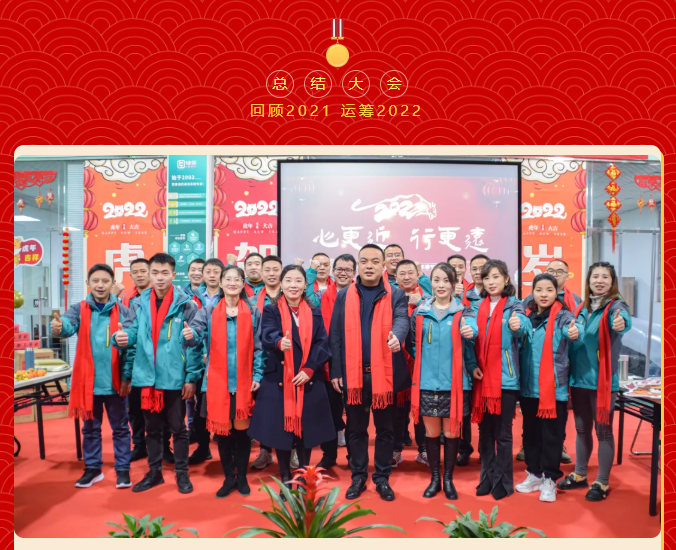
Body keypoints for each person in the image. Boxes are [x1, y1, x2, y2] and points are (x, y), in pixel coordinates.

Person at [113, 253, 203, 494]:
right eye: (155, 273)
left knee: (178, 429)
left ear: (173, 275)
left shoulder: (186, 304)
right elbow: (131, 332)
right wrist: (120, 338)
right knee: (151, 429)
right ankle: (155, 473)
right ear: (150, 275)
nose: (160, 278)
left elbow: (195, 344)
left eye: (165, 273)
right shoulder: (139, 303)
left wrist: (191, 377)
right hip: (147, 377)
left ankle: (182, 474)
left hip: (174, 377)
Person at [329, 244, 411, 502]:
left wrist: (397, 336)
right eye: (364, 261)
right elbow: (335, 334)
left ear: (383, 265)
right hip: (354, 376)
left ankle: (382, 478)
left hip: (384, 376)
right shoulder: (345, 295)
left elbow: (402, 320)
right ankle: (358, 476)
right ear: (358, 265)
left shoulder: (395, 294)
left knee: (385, 430)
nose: (369, 266)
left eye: (375, 261)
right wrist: (336, 370)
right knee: (356, 429)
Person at [248, 265, 333, 498]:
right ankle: (285, 476)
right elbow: (267, 334)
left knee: (306, 431)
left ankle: (304, 476)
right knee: (281, 431)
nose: (293, 285)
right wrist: (279, 342)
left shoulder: (314, 312)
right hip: (280, 378)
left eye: (298, 281)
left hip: (308, 379)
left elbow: (322, 343)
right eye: (288, 280)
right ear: (281, 284)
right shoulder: (271, 309)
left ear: (305, 285)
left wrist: (310, 368)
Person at [50, 264, 133, 489]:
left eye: (105, 281)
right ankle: (93, 469)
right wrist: (58, 327)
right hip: (88, 384)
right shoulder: (79, 309)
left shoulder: (124, 311)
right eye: (95, 281)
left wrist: (127, 377)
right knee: (89, 429)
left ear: (112, 283)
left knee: (121, 429)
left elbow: (132, 346)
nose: (100, 285)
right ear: (88, 283)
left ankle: (123, 470)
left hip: (115, 382)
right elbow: (66, 325)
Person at [557, 262, 631, 502]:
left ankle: (602, 481)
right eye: (595, 277)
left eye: (605, 277)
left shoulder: (615, 305)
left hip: (603, 382)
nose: (599, 281)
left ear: (612, 281)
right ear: (588, 281)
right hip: (579, 379)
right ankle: (580, 475)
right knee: (581, 430)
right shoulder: (583, 307)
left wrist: (621, 323)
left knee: (603, 432)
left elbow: (623, 320)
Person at [191, 265, 264, 498]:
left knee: (242, 434)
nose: (232, 283)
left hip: (244, 382)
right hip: (217, 382)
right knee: (223, 434)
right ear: (221, 283)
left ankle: (241, 477)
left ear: (243, 284)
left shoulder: (253, 312)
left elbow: (260, 348)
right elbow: (195, 335)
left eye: (237, 279)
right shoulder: (209, 310)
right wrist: (190, 335)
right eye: (228, 279)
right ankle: (228, 478)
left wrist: (257, 375)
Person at [408, 263, 478, 500]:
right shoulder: (420, 312)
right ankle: (434, 478)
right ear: (431, 283)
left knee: (451, 433)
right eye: (436, 280)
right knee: (431, 432)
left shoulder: (464, 312)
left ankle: (448, 479)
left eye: (446, 280)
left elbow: (473, 330)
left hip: (454, 384)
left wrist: (470, 332)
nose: (441, 285)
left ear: (454, 283)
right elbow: (412, 344)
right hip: (426, 382)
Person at [517, 273, 584, 503]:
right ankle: (534, 474)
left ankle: (549, 479)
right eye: (539, 290)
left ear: (557, 292)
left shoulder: (564, 316)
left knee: (552, 436)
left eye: (549, 290)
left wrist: (575, 331)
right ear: (533, 292)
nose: (543, 294)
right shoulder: (526, 315)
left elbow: (574, 330)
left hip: (554, 390)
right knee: (530, 434)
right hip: (528, 388)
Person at [471, 259, 530, 501]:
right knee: (484, 432)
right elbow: (469, 333)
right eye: (487, 278)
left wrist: (518, 325)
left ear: (506, 279)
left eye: (496, 276)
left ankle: (504, 482)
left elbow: (523, 326)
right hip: (481, 378)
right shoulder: (476, 307)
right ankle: (487, 477)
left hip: (506, 380)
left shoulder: (515, 306)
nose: (491, 282)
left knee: (503, 434)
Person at [303, 253, 356, 468]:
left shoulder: (360, 294)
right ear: (333, 272)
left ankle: (354, 456)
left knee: (355, 416)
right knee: (330, 414)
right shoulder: (321, 296)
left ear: (354, 273)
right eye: (339, 269)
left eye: (347, 269)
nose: (343, 273)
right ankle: (329, 455)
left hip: (355, 361)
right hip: (328, 362)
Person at [187, 259, 226, 466]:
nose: (212, 275)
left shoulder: (230, 296)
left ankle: (230, 452)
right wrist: (203, 353)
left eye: (216, 272)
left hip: (225, 365)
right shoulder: (191, 297)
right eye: (208, 271)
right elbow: (195, 332)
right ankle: (203, 448)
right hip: (202, 364)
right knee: (200, 410)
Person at [247, 255, 283, 470]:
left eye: (275, 269)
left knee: (289, 406)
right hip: (261, 360)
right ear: (261, 272)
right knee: (265, 409)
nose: (271, 273)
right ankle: (265, 452)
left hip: (287, 360)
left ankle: (292, 450)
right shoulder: (251, 301)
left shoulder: (292, 295)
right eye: (267, 269)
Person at [392, 259, 429, 468]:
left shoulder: (428, 299)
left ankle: (423, 450)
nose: (406, 277)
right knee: (397, 411)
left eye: (410, 273)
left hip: (421, 363)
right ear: (395, 277)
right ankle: (395, 450)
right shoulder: (389, 297)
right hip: (397, 361)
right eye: (402, 273)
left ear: (417, 275)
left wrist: (421, 302)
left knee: (422, 410)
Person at [447, 254, 478, 466]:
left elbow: (472, 327)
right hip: (448, 363)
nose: (457, 269)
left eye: (460, 266)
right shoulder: (435, 298)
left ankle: (470, 447)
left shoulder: (472, 294)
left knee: (466, 409)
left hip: (471, 358)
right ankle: (458, 446)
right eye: (453, 267)